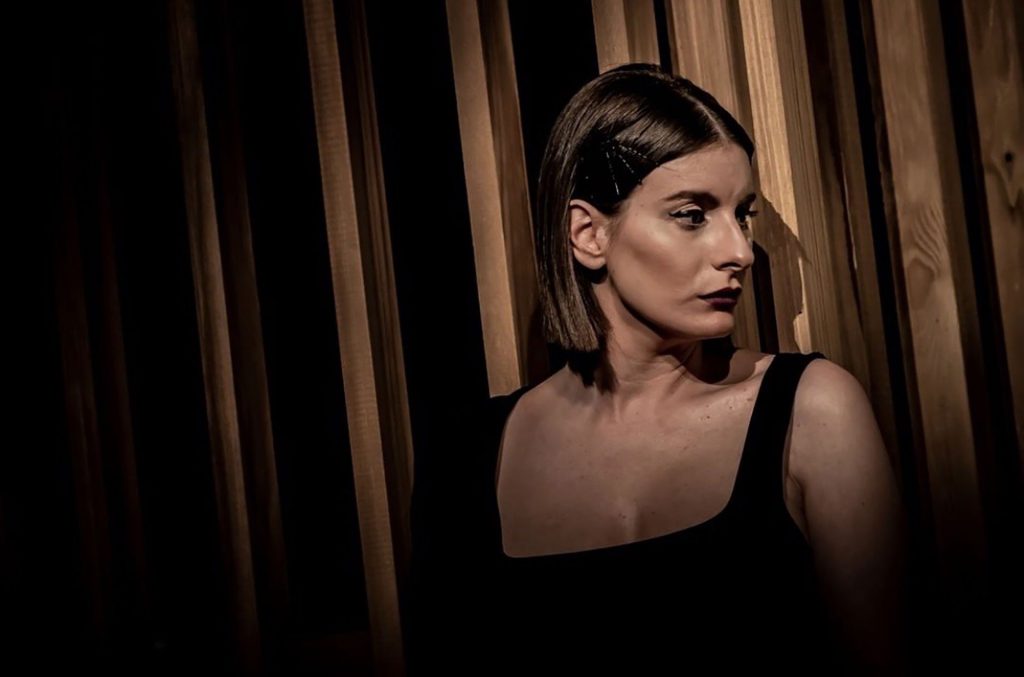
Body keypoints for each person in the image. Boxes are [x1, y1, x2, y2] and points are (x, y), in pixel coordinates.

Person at [406, 63, 908, 675]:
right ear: (588, 234)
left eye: (742, 215)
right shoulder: (466, 457)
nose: (740, 252)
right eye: (692, 214)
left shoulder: (811, 410)